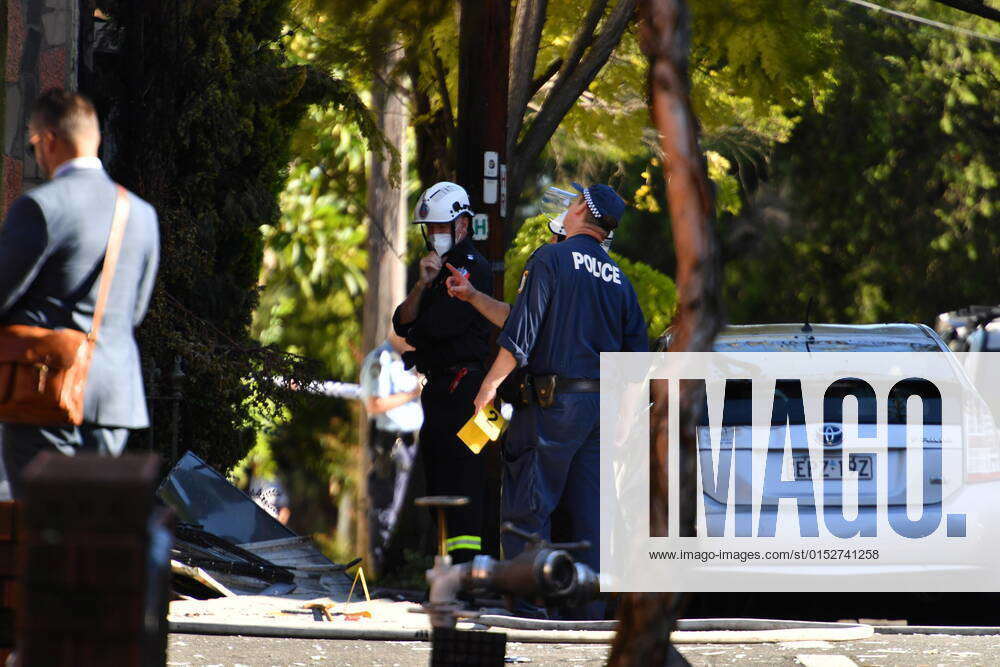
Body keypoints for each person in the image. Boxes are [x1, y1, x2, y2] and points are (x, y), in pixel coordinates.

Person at [472, 182, 647, 617]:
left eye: (570, 205)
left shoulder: (551, 258)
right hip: (598, 413)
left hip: (551, 407)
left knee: (529, 507)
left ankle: (529, 610)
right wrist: (624, 419)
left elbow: (522, 333)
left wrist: (490, 386)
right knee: (590, 515)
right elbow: (636, 361)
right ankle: (587, 615)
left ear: (578, 213)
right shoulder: (620, 281)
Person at [0, 89, 159, 497]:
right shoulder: (141, 214)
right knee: (89, 539)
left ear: (49, 140)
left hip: (45, 394)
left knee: (45, 535)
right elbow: (134, 313)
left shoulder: (42, 206)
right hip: (114, 405)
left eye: (34, 144)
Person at [392, 181, 493, 562]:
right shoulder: (433, 272)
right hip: (438, 390)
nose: (434, 236)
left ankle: (468, 573)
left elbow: (438, 326)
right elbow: (402, 323)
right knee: (438, 478)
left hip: (465, 390)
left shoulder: (472, 269)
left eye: (440, 227)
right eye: (429, 229)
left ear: (462, 226)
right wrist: (421, 284)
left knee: (463, 479)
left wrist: (419, 330)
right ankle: (446, 568)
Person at [359, 331, 424, 572]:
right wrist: (412, 393)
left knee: (403, 510)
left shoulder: (406, 362)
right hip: (389, 443)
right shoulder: (381, 360)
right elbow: (374, 404)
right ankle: (381, 567)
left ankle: (397, 567)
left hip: (410, 443)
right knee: (386, 508)